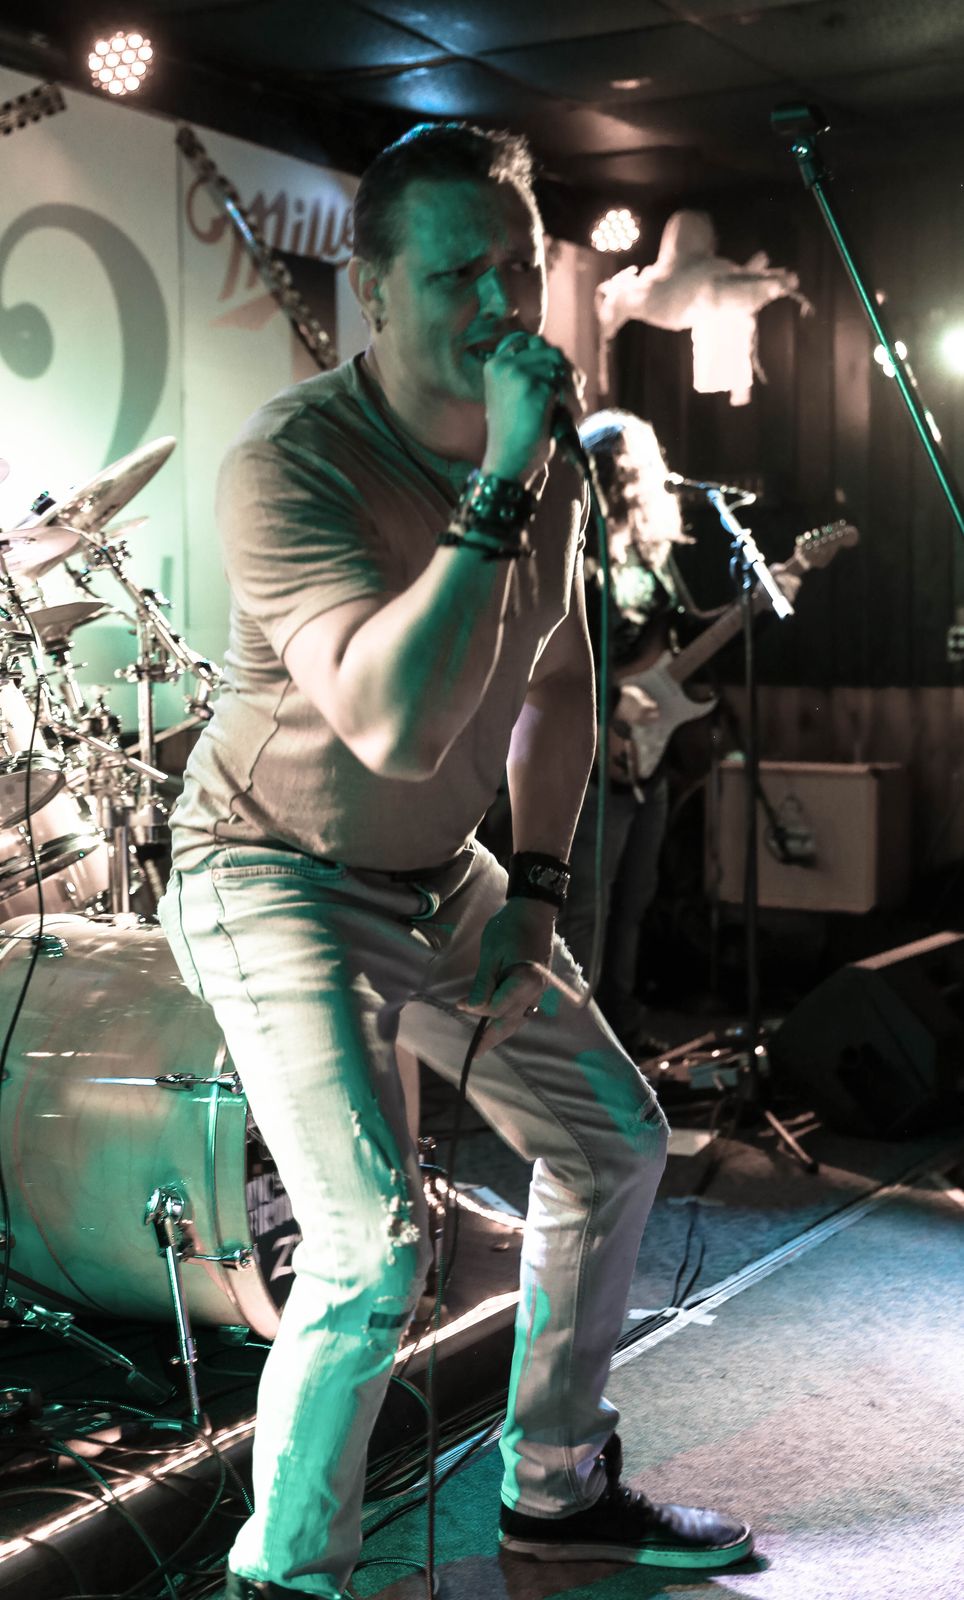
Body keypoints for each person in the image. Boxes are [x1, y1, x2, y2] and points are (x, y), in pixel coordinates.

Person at [158, 124, 753, 1600]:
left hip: (442, 876)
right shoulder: (292, 460)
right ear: (371, 291)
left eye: (515, 269)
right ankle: (284, 1576)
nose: (499, 305)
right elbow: (394, 725)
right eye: (454, 276)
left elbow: (557, 682)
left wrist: (536, 890)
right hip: (270, 869)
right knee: (368, 1249)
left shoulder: (548, 463)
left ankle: (557, 1487)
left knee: (613, 1141)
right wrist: (497, 481)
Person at [559, 410, 695, 1055]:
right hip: (591, 746)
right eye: (617, 464)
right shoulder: (573, 550)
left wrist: (773, 587)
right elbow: (553, 650)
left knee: (635, 899)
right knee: (588, 907)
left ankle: (623, 1033)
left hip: (649, 751)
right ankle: (575, 1045)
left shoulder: (653, 553)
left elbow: (685, 633)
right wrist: (611, 703)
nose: (631, 476)